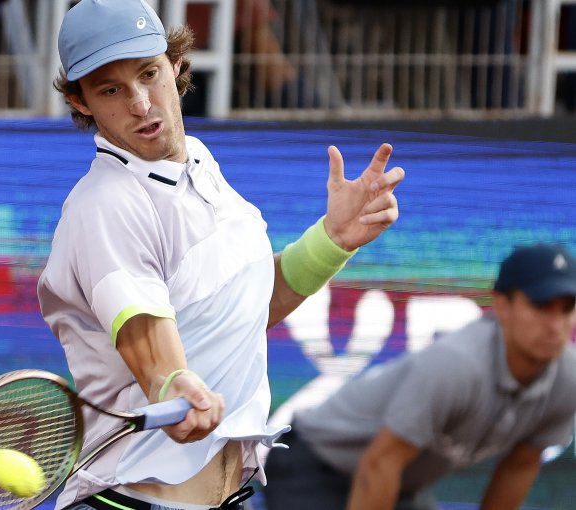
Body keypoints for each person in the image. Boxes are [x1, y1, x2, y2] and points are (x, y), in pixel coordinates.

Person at [38, 1, 404, 509]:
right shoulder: (106, 205)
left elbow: (245, 309)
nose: (141, 103)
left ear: (177, 66)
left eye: (149, 74)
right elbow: (141, 330)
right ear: (81, 103)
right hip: (132, 502)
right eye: (111, 90)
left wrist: (331, 240)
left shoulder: (201, 166)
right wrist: (171, 384)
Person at [263, 243, 576, 510]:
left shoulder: (568, 377)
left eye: (567, 308)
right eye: (540, 305)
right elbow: (378, 465)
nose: (555, 324)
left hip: (397, 481)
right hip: (313, 463)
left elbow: (520, 465)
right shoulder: (458, 365)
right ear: (501, 304)